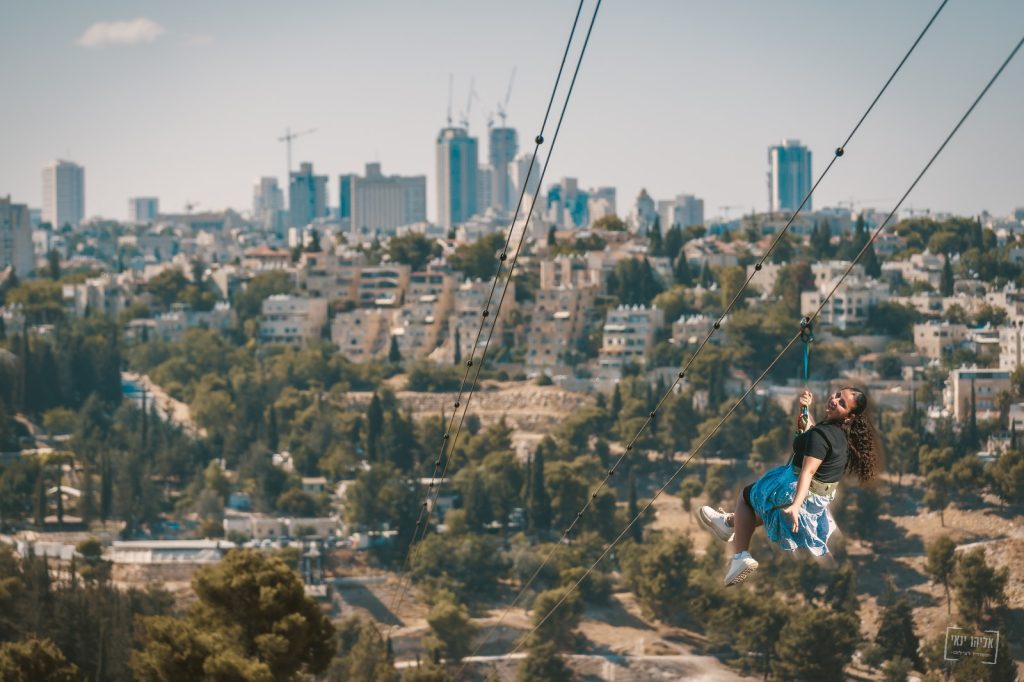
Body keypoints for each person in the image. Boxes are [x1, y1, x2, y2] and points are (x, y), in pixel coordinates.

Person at [698, 386, 880, 586]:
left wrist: (795, 504)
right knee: (767, 507)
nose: (835, 400)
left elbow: (808, 471)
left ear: (848, 416)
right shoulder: (840, 436)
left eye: (842, 403)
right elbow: (808, 433)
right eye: (838, 395)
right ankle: (730, 524)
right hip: (817, 499)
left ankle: (740, 555)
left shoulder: (821, 436)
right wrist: (803, 409)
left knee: (746, 497)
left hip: (797, 490)